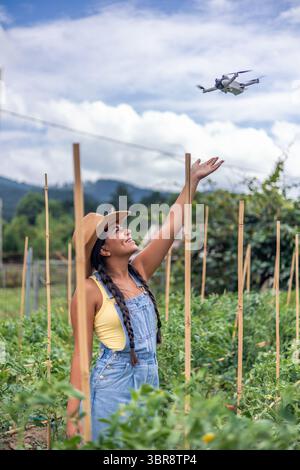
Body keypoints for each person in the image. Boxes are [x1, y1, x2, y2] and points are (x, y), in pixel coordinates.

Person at [66, 156, 224, 442]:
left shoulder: (138, 271)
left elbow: (170, 226)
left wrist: (191, 183)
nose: (127, 229)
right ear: (103, 250)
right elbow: (81, 357)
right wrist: (73, 414)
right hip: (112, 383)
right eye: (116, 230)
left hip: (148, 381)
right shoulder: (89, 291)